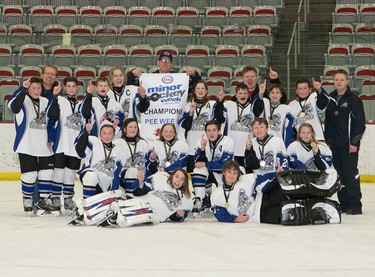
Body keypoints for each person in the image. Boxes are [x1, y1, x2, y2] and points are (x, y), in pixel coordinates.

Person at [69, 169, 193, 227]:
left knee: (133, 208)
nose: (178, 180)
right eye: (177, 176)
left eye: (182, 179)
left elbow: (176, 216)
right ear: (172, 176)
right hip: (141, 200)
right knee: (117, 195)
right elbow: (142, 190)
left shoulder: (185, 199)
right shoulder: (161, 180)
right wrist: (140, 183)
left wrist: (179, 216)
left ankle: (114, 217)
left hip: (151, 213)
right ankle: (85, 209)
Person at [8, 77, 59, 215]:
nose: (36, 91)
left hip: (44, 145)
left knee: (47, 173)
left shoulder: (45, 101)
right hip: (26, 144)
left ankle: (43, 200)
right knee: (29, 174)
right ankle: (27, 198)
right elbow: (13, 106)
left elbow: (53, 120)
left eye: (39, 88)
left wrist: (52, 137)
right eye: (33, 88)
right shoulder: (22, 100)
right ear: (28, 88)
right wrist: (22, 89)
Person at [320, 69, 366, 215]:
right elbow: (327, 122)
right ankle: (344, 203)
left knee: (350, 174)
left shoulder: (354, 99)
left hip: (348, 146)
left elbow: (360, 124)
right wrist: (327, 141)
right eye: (336, 79)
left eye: (342, 79)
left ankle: (354, 204)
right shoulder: (331, 99)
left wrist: (354, 143)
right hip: (334, 145)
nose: (339, 82)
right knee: (339, 176)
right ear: (333, 82)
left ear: (347, 81)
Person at [47, 76, 87, 213]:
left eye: (73, 86)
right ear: (64, 87)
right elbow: (51, 117)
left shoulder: (81, 104)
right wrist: (54, 95)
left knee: (70, 172)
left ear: (77, 88)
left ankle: (69, 199)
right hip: (61, 143)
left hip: (75, 145)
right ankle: (56, 197)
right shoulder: (59, 100)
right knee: (58, 170)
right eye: (68, 86)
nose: (71, 89)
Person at [244, 118, 288, 223]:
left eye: (261, 127)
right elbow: (251, 166)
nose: (259, 130)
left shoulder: (277, 141)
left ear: (267, 129)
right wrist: (249, 149)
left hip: (274, 179)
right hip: (259, 181)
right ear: (252, 130)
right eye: (256, 128)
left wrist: (281, 172)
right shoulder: (251, 143)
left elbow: (284, 162)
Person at [215, 83, 266, 167]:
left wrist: (260, 94)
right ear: (236, 95)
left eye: (245, 93)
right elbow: (219, 117)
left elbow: (258, 111)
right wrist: (220, 101)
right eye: (240, 93)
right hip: (231, 147)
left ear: (248, 95)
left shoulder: (252, 106)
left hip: (247, 148)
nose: (243, 95)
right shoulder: (229, 105)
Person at [190, 120, 234, 216]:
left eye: (214, 130)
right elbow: (197, 163)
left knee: (224, 204)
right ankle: (200, 199)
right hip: (208, 173)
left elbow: (225, 165)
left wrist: (206, 164)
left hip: (222, 174)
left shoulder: (228, 141)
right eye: (208, 130)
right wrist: (202, 149)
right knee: (198, 170)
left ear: (219, 131)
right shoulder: (200, 141)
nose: (211, 133)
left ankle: (211, 198)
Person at [178, 80, 223, 172]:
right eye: (198, 88)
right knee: (191, 174)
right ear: (194, 91)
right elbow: (186, 126)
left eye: (203, 88)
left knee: (207, 174)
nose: (200, 90)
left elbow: (219, 120)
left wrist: (220, 102)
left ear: (206, 91)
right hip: (191, 146)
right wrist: (191, 112)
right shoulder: (187, 105)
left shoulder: (212, 104)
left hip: (207, 146)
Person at [75, 122, 127, 198]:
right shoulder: (94, 142)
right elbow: (79, 150)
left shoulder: (118, 151)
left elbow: (117, 174)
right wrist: (86, 132)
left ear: (113, 135)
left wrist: (113, 193)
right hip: (91, 177)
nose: (107, 136)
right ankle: (87, 205)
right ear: (100, 134)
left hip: (105, 186)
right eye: (104, 133)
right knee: (91, 177)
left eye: (110, 133)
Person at [127, 51, 202, 94]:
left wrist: (194, 74)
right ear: (158, 63)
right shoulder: (150, 77)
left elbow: (196, 86)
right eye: (163, 60)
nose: (165, 63)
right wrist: (132, 74)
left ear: (171, 64)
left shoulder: (179, 78)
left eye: (168, 61)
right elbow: (131, 89)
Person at [118, 118, 152, 196]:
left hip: (141, 179)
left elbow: (149, 165)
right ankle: (129, 197)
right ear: (124, 129)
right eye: (130, 127)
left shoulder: (143, 143)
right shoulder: (118, 143)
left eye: (135, 127)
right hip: (124, 181)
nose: (133, 129)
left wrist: (152, 159)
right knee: (131, 171)